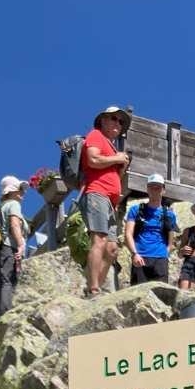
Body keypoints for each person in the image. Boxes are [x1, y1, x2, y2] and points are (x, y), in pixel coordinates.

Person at [79, 105, 131, 297]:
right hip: (96, 194)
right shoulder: (95, 136)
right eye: (113, 118)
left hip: (110, 202)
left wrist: (121, 164)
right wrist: (116, 157)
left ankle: (94, 289)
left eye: (120, 121)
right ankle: (93, 288)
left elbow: (114, 175)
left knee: (111, 249)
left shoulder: (110, 146)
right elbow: (92, 159)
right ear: (102, 120)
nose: (118, 123)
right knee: (99, 240)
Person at [124, 174, 177, 285]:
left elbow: (171, 239)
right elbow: (128, 234)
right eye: (152, 187)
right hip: (140, 257)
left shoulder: (169, 214)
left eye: (158, 187)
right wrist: (134, 254)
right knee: (138, 296)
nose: (154, 190)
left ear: (163, 190)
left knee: (161, 296)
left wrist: (165, 254)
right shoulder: (136, 210)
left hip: (160, 259)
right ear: (147, 189)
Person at [0, 175, 29, 322]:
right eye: (20, 189)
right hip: (9, 247)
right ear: (12, 191)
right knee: (8, 281)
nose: (23, 192)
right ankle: (6, 316)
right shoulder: (13, 205)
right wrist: (21, 244)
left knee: (2, 282)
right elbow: (14, 224)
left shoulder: (0, 208)